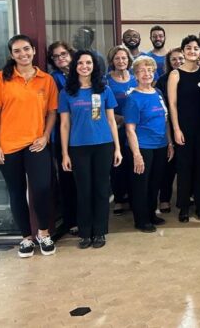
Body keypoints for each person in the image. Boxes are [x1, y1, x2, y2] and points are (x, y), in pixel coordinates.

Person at [0, 34, 58, 258]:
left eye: (26, 49)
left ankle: (43, 233)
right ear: (11, 55)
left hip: (36, 144)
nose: (23, 54)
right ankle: (25, 238)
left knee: (42, 190)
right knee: (16, 192)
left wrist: (45, 136)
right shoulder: (0, 78)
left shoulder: (46, 79)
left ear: (34, 51)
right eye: (17, 51)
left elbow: (52, 112)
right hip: (8, 146)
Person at [58, 50, 121, 249]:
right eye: (80, 63)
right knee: (83, 190)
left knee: (102, 189)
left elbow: (111, 120)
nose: (84, 66)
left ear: (94, 66)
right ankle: (85, 232)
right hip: (78, 147)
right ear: (75, 66)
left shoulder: (104, 89)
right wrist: (65, 153)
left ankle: (100, 231)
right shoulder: (67, 92)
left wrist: (117, 148)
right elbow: (64, 125)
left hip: (103, 145)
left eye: (88, 63)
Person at [124, 56, 174, 233]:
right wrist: (136, 154)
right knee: (141, 185)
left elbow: (165, 119)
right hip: (143, 147)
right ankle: (141, 219)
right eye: (142, 71)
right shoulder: (133, 98)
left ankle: (152, 214)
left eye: (150, 70)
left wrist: (169, 142)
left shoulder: (158, 93)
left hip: (160, 145)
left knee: (155, 182)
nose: (147, 74)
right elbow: (130, 129)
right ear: (135, 75)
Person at [168, 35, 200, 222]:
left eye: (196, 48)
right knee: (184, 168)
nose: (192, 51)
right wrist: (176, 129)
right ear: (183, 51)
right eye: (188, 48)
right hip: (184, 128)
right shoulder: (175, 74)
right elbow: (173, 105)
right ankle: (184, 206)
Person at [46, 41, 78, 235]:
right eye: (56, 56)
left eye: (63, 54)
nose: (61, 58)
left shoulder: (82, 72)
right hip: (62, 134)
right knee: (67, 179)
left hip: (85, 135)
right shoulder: (53, 79)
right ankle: (71, 220)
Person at [106, 46, 137, 216]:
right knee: (118, 164)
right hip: (116, 128)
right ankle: (119, 199)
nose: (121, 61)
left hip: (134, 129)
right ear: (112, 61)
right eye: (117, 58)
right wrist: (120, 119)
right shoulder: (106, 81)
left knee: (133, 162)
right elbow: (103, 106)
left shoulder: (135, 79)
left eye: (124, 58)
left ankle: (133, 197)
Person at [155, 48, 185, 213]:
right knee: (169, 164)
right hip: (168, 126)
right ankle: (164, 198)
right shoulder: (162, 80)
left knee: (187, 165)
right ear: (168, 62)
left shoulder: (192, 75)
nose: (178, 62)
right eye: (174, 59)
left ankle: (186, 196)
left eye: (181, 58)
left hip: (188, 125)